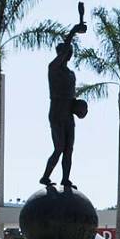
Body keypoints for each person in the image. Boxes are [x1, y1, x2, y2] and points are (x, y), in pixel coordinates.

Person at [39, 21, 88, 189]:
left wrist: (79, 106)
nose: (69, 53)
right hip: (57, 112)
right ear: (60, 53)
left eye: (70, 52)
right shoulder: (53, 68)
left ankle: (65, 178)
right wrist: (73, 30)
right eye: (66, 51)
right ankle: (45, 177)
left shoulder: (71, 74)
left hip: (68, 113)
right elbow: (66, 47)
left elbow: (71, 96)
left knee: (69, 149)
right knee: (59, 148)